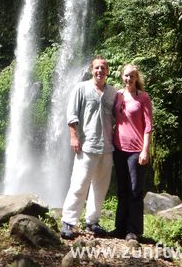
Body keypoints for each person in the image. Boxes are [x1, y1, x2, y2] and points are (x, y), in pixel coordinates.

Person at [60, 56, 117, 240]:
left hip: (107, 147)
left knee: (100, 188)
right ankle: (68, 221)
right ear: (92, 70)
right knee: (79, 184)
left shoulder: (113, 93)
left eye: (103, 68)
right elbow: (72, 114)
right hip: (87, 146)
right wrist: (74, 137)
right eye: (96, 68)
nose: (100, 71)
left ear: (107, 71)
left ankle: (92, 221)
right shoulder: (81, 88)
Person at [111, 64, 153, 241]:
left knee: (135, 190)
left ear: (137, 78)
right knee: (122, 189)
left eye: (132, 76)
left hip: (136, 150)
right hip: (119, 148)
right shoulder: (118, 95)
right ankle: (120, 227)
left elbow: (149, 126)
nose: (129, 79)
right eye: (126, 76)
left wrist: (145, 150)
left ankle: (133, 230)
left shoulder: (143, 97)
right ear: (122, 76)